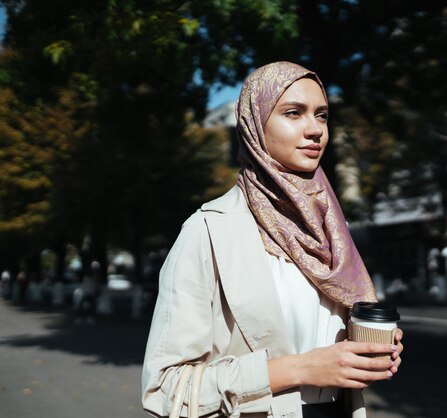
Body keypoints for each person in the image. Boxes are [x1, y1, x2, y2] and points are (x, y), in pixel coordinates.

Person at [142, 62, 404, 418]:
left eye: (322, 115)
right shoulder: (209, 230)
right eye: (293, 113)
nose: (315, 130)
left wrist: (362, 355)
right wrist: (299, 369)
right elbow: (166, 387)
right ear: (255, 123)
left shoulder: (330, 228)